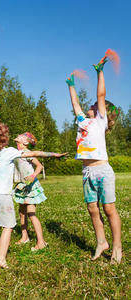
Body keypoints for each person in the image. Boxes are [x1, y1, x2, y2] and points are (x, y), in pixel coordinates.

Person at [0, 105, 66, 268]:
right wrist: (54, 155)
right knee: (9, 226)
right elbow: (36, 153)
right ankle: (1, 257)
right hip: (3, 195)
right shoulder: (10, 152)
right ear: (2, 139)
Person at [66, 55, 122, 263]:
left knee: (108, 209)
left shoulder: (100, 121)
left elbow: (101, 94)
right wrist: (71, 85)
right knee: (92, 209)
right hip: (87, 172)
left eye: (95, 105)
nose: (91, 106)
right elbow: (74, 102)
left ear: (102, 112)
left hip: (102, 171)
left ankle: (116, 245)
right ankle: (101, 242)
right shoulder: (83, 121)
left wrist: (100, 72)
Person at [12, 131, 48, 251]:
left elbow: (39, 166)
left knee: (31, 213)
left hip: (31, 186)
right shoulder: (17, 153)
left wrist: (33, 176)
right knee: (22, 213)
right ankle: (24, 236)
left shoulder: (28, 153)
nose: (18, 138)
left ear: (26, 142)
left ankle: (41, 241)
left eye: (21, 137)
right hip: (22, 186)